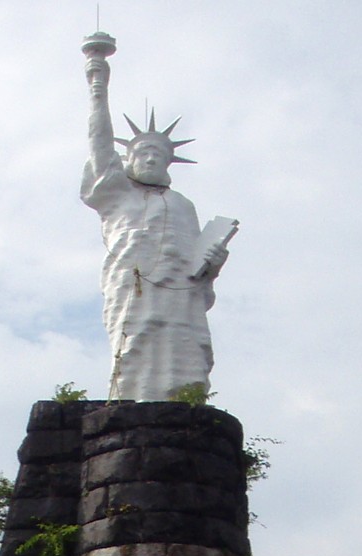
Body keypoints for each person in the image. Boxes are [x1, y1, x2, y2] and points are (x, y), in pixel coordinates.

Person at [81, 35, 233, 401]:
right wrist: (98, 85)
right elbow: (100, 144)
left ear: (169, 163)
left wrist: (213, 264)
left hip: (181, 297)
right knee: (132, 347)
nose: (151, 159)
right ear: (128, 159)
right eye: (143, 152)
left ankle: (186, 407)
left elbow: (200, 265)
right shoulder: (117, 193)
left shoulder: (183, 205)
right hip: (133, 286)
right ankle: (127, 411)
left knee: (189, 352)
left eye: (159, 155)